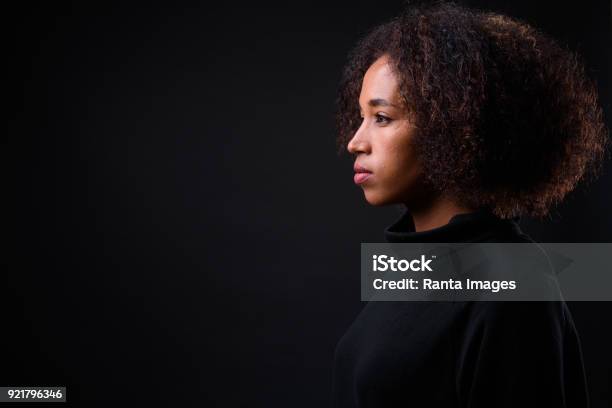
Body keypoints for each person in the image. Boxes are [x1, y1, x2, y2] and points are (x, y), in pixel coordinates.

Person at [332, 2, 608, 407]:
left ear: (454, 125)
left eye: (383, 118)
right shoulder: (421, 266)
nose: (355, 141)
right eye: (360, 118)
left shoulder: (512, 283)